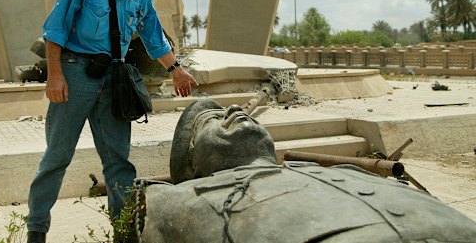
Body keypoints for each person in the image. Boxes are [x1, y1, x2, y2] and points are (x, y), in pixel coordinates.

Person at [26, 0, 198, 243]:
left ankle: (123, 233)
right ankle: (36, 231)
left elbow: (153, 35)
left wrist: (175, 69)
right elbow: (56, 27)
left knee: (119, 162)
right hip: (75, 73)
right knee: (57, 157)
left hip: (115, 79)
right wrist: (55, 74)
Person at [139, 99, 476, 242]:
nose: (234, 109)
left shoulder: (321, 168)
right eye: (210, 121)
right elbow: (144, 205)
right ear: (196, 163)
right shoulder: (183, 197)